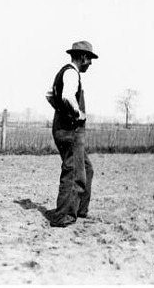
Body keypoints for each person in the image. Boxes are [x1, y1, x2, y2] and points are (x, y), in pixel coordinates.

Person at [45, 41, 98, 228]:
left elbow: (50, 95)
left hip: (64, 128)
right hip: (70, 131)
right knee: (74, 173)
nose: (90, 63)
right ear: (82, 57)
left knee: (86, 168)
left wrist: (60, 110)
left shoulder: (65, 72)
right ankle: (63, 217)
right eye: (90, 59)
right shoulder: (71, 73)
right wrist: (77, 113)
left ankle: (80, 210)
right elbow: (67, 96)